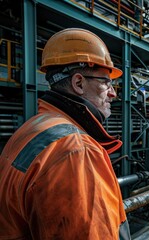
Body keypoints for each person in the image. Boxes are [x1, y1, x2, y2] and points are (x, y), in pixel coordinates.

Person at [0, 28, 131, 239]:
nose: (114, 93)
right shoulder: (77, 151)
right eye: (106, 82)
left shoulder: (34, 127)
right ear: (78, 83)